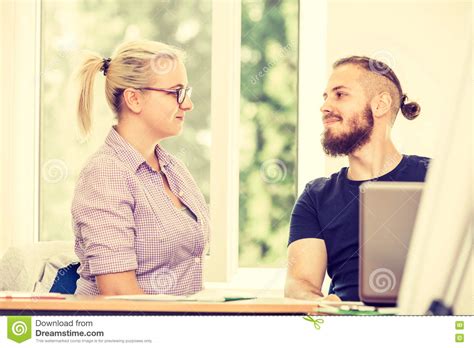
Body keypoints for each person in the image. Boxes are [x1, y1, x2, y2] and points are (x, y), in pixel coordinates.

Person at [285, 56, 430, 301]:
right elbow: (300, 283)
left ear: (380, 104)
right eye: (325, 97)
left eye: (340, 95)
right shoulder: (316, 197)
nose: (325, 106)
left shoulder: (436, 178)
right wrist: (322, 305)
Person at [71, 40, 210, 296]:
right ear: (134, 99)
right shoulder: (106, 175)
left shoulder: (174, 169)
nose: (188, 104)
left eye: (186, 92)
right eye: (176, 92)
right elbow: (118, 295)